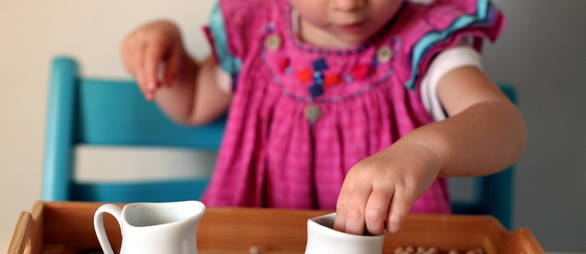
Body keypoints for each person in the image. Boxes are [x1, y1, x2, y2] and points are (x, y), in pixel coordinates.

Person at [120, 0, 526, 236]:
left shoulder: (425, 41)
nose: (349, 3)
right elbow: (191, 104)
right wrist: (164, 55)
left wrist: (423, 150)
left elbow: (502, 124)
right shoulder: (254, 29)